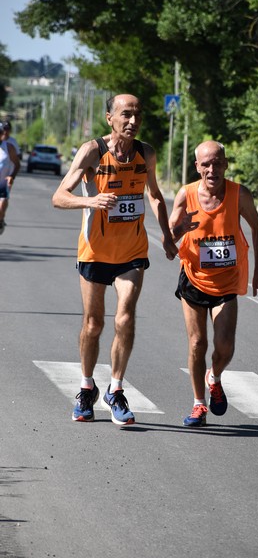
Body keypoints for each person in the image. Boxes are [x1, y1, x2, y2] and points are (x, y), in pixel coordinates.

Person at [52, 94, 178, 425]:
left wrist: (166, 234)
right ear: (110, 118)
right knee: (94, 325)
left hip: (132, 253)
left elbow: (154, 194)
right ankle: (86, 387)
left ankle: (116, 389)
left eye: (137, 115)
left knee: (125, 319)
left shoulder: (145, 153)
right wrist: (91, 202)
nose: (133, 121)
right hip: (94, 252)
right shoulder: (92, 151)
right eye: (126, 115)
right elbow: (59, 196)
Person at [169, 140, 258, 427]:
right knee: (197, 342)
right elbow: (168, 238)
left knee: (225, 345)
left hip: (226, 283)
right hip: (194, 279)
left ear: (225, 164)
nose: (212, 169)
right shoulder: (186, 195)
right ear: (197, 167)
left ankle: (216, 375)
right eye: (206, 164)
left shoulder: (239, 194)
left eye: (217, 162)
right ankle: (199, 405)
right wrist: (179, 229)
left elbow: (257, 229)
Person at [0, 122, 20, 234]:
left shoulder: (10, 145)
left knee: (2, 204)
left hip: (4, 181)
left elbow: (17, 162)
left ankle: (1, 220)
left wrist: (11, 176)